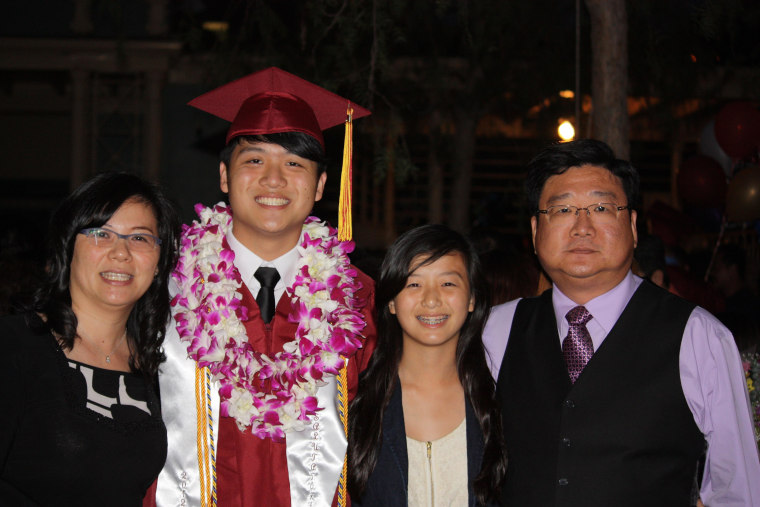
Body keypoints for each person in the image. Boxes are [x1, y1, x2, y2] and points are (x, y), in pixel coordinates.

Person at [483, 139, 760, 506]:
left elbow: (736, 490)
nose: (582, 227)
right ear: (535, 231)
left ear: (631, 224)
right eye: (562, 209)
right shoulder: (495, 330)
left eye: (601, 207)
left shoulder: (697, 336)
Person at [149, 67, 377, 506]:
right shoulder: (167, 286)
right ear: (223, 176)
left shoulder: (358, 298)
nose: (274, 179)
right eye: (254, 160)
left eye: (294, 163)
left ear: (321, 186)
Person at [0, 172, 181, 505]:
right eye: (101, 233)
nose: (121, 253)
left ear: (158, 263)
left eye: (140, 238)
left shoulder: (161, 367)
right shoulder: (14, 348)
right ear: (68, 247)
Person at [348, 224, 507, 506]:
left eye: (448, 283)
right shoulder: (356, 402)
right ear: (392, 302)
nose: (431, 299)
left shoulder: (499, 404)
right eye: (414, 284)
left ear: (471, 298)